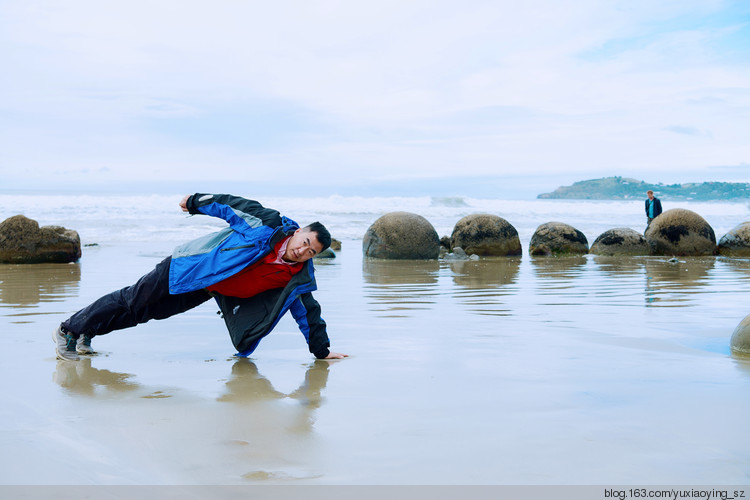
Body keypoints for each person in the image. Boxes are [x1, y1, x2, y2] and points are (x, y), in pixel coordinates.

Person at [53, 193, 348, 362]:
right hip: (189, 266)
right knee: (131, 300)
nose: (303, 250)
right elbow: (231, 205)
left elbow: (307, 312)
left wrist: (321, 352)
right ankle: (69, 330)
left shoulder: (297, 275)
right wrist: (195, 202)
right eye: (305, 241)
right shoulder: (268, 224)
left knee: (143, 313)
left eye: (311, 252)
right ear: (299, 232)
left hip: (206, 289)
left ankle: (86, 333)